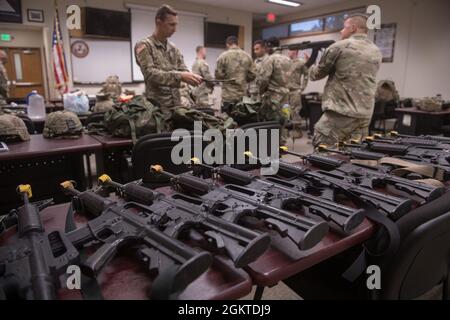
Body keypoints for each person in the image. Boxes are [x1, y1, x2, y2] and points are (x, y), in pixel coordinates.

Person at [310, 14, 382, 147]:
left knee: (323, 152)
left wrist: (309, 63)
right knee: (352, 154)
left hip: (341, 112)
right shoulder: (376, 51)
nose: (341, 31)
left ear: (353, 28)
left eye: (344, 27)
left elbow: (316, 75)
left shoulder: (339, 46)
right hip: (365, 114)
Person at [134, 4, 202, 111]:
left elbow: (183, 70)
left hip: (179, 104)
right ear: (158, 22)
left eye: (176, 25)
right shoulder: (144, 46)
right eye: (171, 25)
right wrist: (180, 76)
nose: (175, 29)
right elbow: (150, 74)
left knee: (197, 125)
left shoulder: (173, 49)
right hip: (158, 108)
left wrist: (192, 77)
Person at [258, 37, 292, 143]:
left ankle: (272, 144)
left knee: (272, 121)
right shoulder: (287, 59)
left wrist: (261, 92)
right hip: (286, 96)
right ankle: (282, 142)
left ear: (269, 46)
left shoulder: (270, 59)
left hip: (273, 96)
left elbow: (264, 79)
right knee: (285, 118)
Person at [215, 36, 256, 114]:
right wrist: (242, 79)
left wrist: (227, 78)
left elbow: (218, 76)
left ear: (227, 44)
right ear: (237, 44)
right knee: (241, 121)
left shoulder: (222, 56)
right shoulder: (247, 56)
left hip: (227, 97)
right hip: (242, 96)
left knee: (226, 121)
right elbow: (253, 75)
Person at [288, 49, 309, 139]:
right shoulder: (286, 62)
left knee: (295, 110)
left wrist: (302, 88)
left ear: (295, 51)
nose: (288, 52)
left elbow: (306, 75)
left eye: (290, 51)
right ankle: (287, 130)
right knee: (285, 111)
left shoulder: (301, 62)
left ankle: (297, 130)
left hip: (295, 90)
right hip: (285, 91)